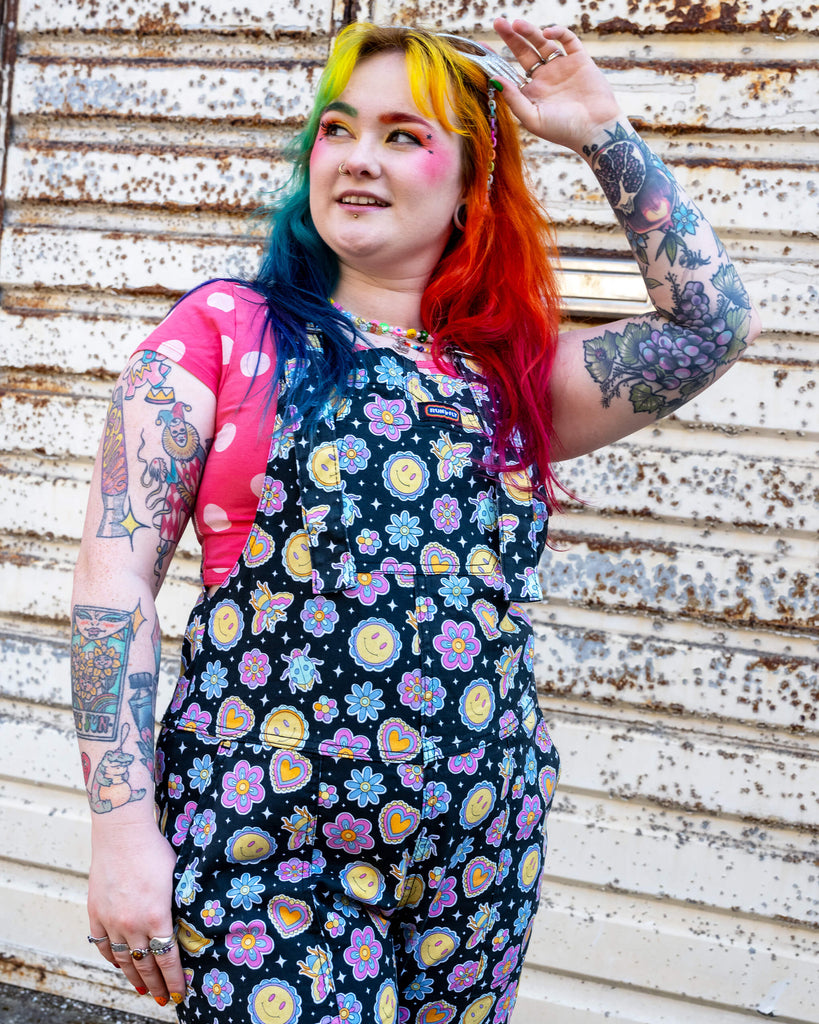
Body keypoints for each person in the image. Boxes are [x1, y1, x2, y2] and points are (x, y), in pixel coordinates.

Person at [71, 16, 760, 1024]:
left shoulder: (510, 376)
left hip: (478, 856)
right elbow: (111, 585)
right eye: (339, 128)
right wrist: (123, 836)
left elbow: (714, 323)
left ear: (470, 181)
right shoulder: (222, 335)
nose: (356, 157)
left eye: (403, 134)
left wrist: (603, 132)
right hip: (270, 851)